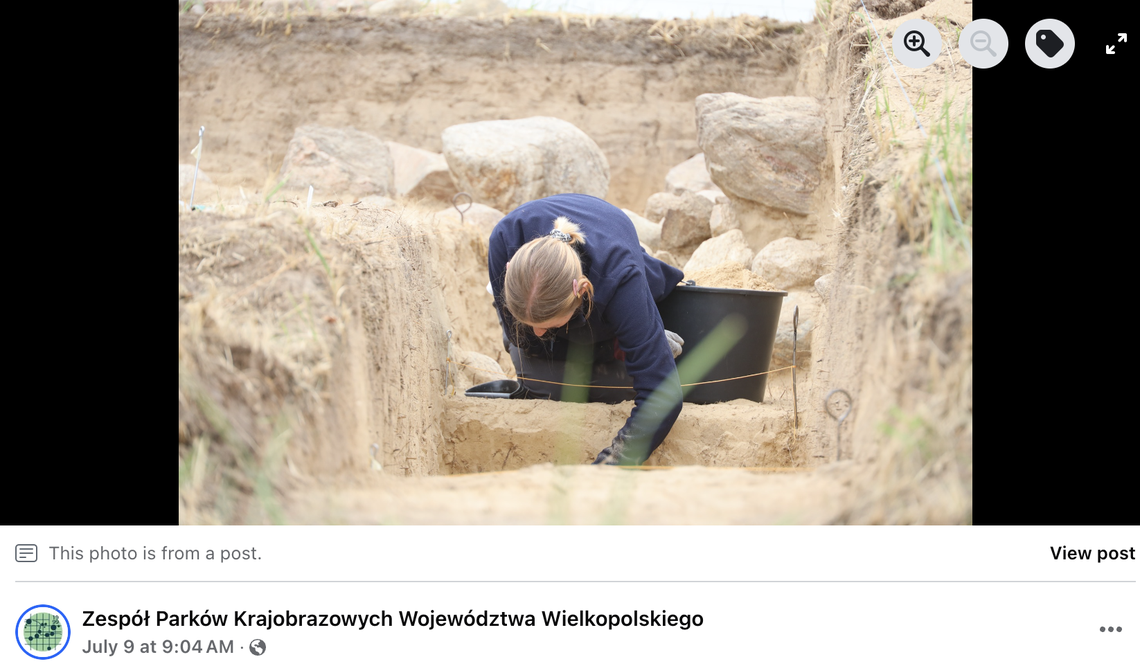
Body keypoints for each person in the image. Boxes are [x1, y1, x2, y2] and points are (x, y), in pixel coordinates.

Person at [487, 192, 686, 465]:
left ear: (581, 291)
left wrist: (607, 468)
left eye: (549, 325)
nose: (539, 333)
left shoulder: (621, 279)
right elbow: (526, 342)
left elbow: (663, 395)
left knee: (597, 388)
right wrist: (612, 350)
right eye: (531, 324)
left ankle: (630, 332)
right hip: (573, 296)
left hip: (610, 272)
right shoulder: (504, 241)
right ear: (509, 270)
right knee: (536, 369)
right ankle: (622, 342)